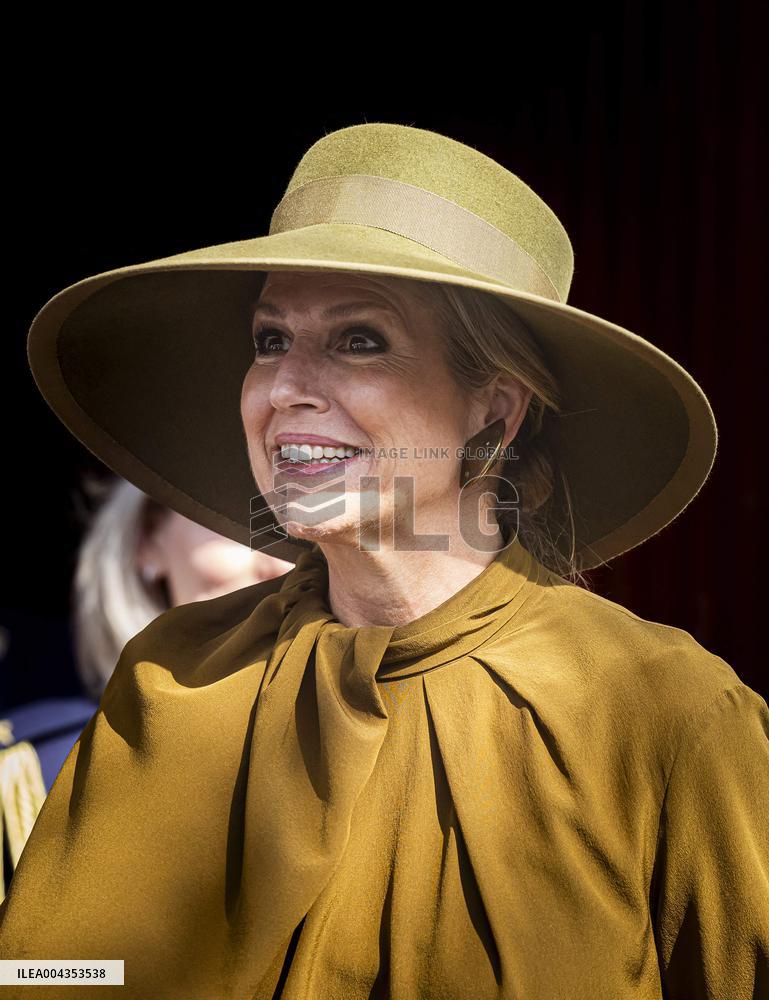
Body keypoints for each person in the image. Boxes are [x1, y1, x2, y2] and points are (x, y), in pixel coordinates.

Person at [0, 122, 766, 999]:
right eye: (269, 339)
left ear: (496, 409)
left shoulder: (667, 714)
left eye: (359, 339)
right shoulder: (173, 677)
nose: (285, 388)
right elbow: (51, 973)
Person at [0, 476, 293, 899]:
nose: (282, 565)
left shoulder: (401, 737)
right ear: (148, 540)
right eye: (238, 521)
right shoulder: (40, 776)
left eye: (304, 528)